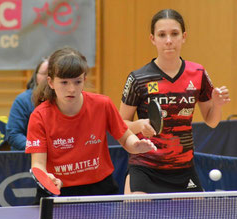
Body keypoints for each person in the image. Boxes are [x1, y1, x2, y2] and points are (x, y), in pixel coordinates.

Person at [119, 9, 230, 194]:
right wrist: (139, 125)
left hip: (183, 169)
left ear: (184, 36)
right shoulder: (138, 78)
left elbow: (211, 121)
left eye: (174, 34)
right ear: (152, 39)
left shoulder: (198, 73)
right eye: (162, 35)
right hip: (145, 167)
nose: (168, 40)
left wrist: (217, 105)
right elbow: (119, 124)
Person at [25, 47, 156, 201]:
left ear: (84, 80)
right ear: (51, 82)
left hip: (100, 189)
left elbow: (125, 137)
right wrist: (47, 179)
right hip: (59, 191)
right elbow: (38, 165)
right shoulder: (40, 116)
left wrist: (135, 145)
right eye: (64, 82)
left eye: (77, 82)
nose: (71, 89)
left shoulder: (102, 104)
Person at [5, 58, 48, 150]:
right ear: (36, 76)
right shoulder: (23, 100)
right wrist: (39, 149)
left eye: (52, 74)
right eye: (45, 73)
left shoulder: (63, 101)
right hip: (27, 156)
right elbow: (14, 135)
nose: (48, 78)